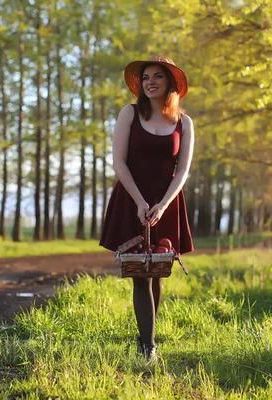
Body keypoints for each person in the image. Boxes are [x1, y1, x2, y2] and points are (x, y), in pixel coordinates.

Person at [99, 56, 195, 363]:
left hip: (166, 201)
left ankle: (147, 338)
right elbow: (119, 162)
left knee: (157, 271)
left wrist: (163, 205)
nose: (150, 82)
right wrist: (140, 201)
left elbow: (182, 172)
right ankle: (147, 346)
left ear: (170, 83)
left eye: (157, 76)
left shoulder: (184, 122)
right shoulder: (129, 113)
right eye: (145, 78)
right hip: (132, 198)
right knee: (140, 271)